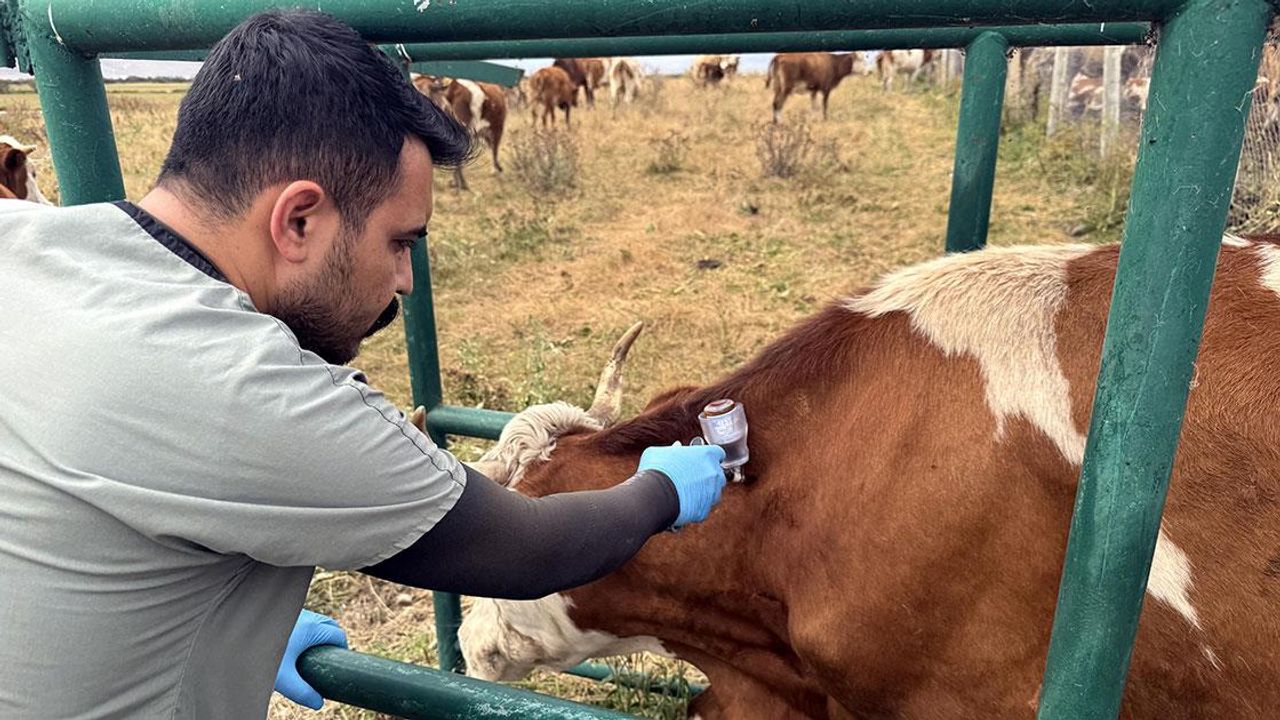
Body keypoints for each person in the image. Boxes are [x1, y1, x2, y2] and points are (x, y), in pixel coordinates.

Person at [0, 9, 726, 719]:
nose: (406, 280)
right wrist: (662, 489)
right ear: (299, 220)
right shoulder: (255, 391)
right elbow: (531, 551)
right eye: (400, 243)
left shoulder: (20, 241)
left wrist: (233, 629)